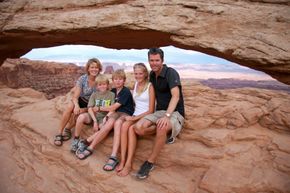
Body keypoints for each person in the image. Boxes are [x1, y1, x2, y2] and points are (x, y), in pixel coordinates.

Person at [134, 48, 185, 179]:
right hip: (159, 111)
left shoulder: (171, 73)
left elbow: (175, 96)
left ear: (162, 60)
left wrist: (167, 116)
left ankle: (150, 163)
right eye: (152, 60)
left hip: (174, 112)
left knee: (161, 126)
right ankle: (167, 132)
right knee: (138, 128)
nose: (154, 63)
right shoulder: (151, 74)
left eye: (157, 60)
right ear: (149, 61)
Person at [75, 69, 134, 168]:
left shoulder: (125, 91)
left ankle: (113, 156)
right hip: (115, 113)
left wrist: (98, 108)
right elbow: (110, 106)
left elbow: (112, 107)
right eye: (115, 79)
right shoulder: (113, 91)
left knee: (117, 124)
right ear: (113, 80)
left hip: (125, 113)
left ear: (124, 80)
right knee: (108, 124)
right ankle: (90, 147)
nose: (118, 81)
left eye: (120, 79)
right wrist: (106, 117)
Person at [116, 63, 155, 177]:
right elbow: (134, 103)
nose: (138, 76)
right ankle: (122, 160)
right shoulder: (136, 83)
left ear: (145, 73)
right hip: (135, 114)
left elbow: (151, 110)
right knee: (123, 126)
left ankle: (128, 164)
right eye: (136, 73)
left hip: (145, 116)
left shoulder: (150, 86)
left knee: (131, 129)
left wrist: (134, 118)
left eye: (140, 73)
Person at [54, 58, 102, 146]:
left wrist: (84, 110)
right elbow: (75, 97)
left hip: (91, 105)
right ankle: (59, 133)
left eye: (96, 67)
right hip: (80, 100)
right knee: (70, 107)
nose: (94, 69)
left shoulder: (100, 80)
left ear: (99, 69)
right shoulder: (82, 79)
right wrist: (76, 106)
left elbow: (100, 99)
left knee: (79, 114)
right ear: (88, 68)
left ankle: (68, 129)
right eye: (92, 67)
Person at [70, 74, 115, 152]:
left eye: (104, 84)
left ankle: (85, 142)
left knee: (103, 127)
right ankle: (76, 139)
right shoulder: (94, 95)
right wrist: (94, 121)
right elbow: (90, 108)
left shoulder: (111, 95)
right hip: (93, 116)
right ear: (97, 86)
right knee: (81, 117)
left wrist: (105, 119)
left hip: (103, 117)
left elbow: (112, 109)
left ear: (107, 85)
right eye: (100, 85)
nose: (102, 86)